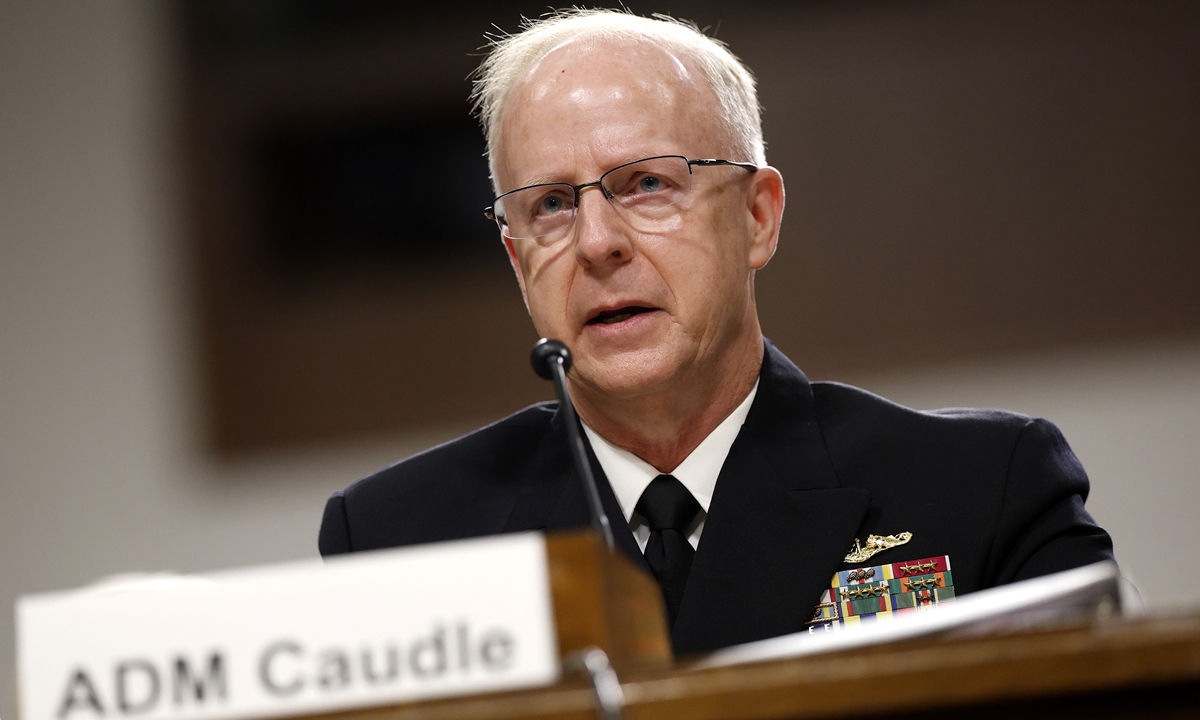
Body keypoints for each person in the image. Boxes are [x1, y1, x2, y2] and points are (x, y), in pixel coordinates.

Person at [319, 9, 1113, 655]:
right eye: (552, 206)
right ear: (516, 256)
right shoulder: (400, 544)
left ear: (758, 217)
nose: (598, 243)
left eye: (648, 184)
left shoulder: (984, 490)